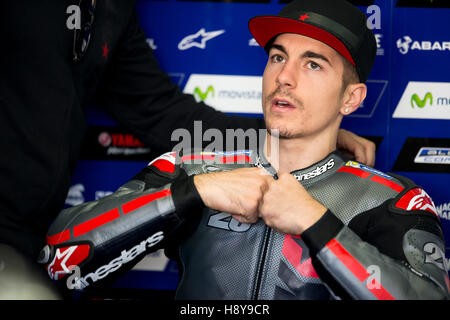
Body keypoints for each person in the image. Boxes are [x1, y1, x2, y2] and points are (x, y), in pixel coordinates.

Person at [38, 0, 450, 300]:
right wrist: (191, 193)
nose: (284, 77)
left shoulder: (392, 200)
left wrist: (316, 222)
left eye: (313, 64)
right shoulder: (194, 167)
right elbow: (57, 258)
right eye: (276, 56)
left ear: (352, 98)